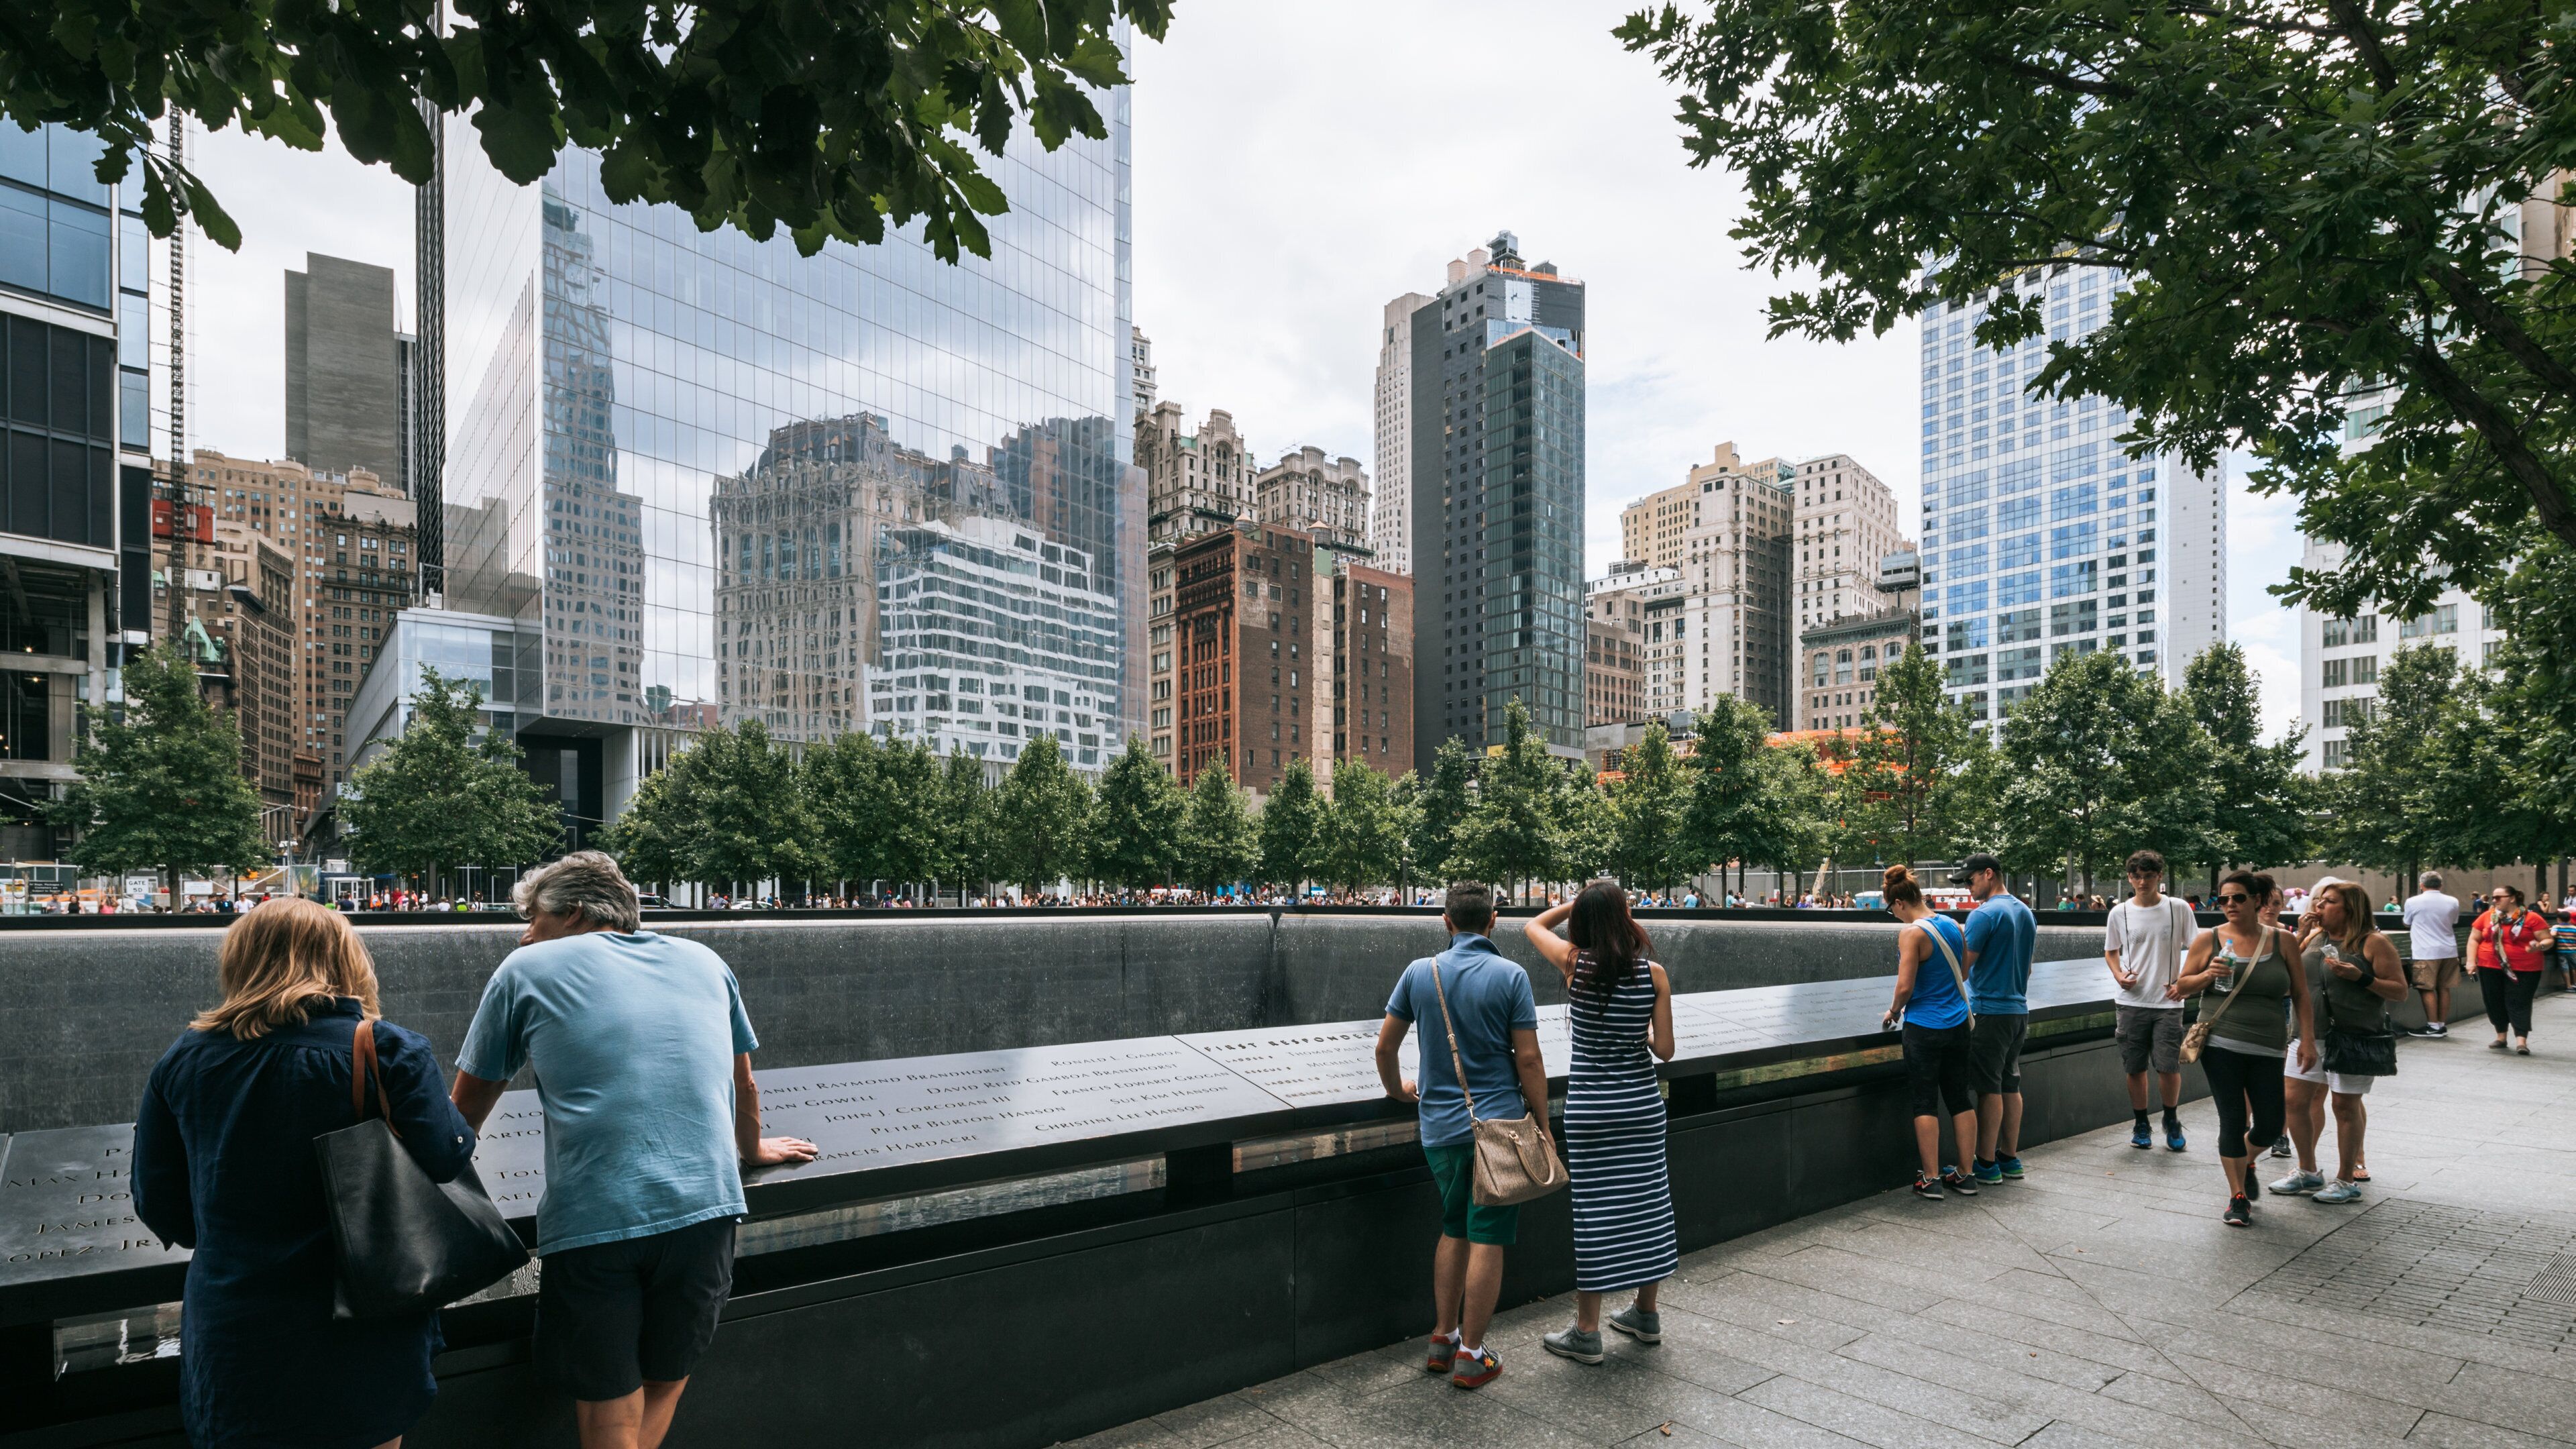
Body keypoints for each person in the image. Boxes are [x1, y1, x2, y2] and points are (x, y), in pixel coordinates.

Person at [450, 853, 817, 1449]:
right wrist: (752, 1153)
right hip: (708, 1209)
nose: (525, 932)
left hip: (597, 1220)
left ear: (570, 913)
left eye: (532, 917)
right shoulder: (706, 960)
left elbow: (463, 1113)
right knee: (666, 1377)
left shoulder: (526, 968)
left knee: (607, 1407)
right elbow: (742, 1085)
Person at [133, 898, 480, 1449]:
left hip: (236, 1323)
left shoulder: (184, 1058)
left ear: (241, 962)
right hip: (364, 1318)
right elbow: (446, 1159)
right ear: (346, 960)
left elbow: (158, 1201)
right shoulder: (386, 1049)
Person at [1375, 881, 1550, 1391]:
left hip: (1440, 1129)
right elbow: (1530, 1059)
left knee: (1454, 1226)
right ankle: (1473, 1356)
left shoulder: (1418, 973)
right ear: (1494, 921)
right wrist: (1542, 1124)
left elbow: (1386, 1049)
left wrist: (1401, 1091)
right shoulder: (1512, 976)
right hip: (1497, 1131)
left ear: (1446, 922)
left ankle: (1442, 1338)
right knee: (1488, 1237)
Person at [1524, 882, 1678, 1365]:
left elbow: (1532, 925)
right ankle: (1645, 1314)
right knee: (1649, 1204)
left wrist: (1576, 905)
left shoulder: (1576, 965)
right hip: (1641, 1108)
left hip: (1592, 1111)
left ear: (1586, 922)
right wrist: (1642, 1034)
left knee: (1595, 1215)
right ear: (1625, 917)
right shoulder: (1653, 975)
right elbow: (1665, 1050)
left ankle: (1587, 1332)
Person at [2173, 870, 2315, 1226]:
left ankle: (2247, 1159)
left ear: (2256, 900)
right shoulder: (2210, 939)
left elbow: (2300, 993)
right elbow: (2182, 986)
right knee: (2233, 1119)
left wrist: (2307, 1039)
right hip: (2221, 1040)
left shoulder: (2282, 941)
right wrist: (2208, 975)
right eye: (2224, 900)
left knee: (2270, 1124)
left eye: (2238, 898)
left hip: (2268, 1043)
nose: (2230, 905)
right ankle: (2238, 1197)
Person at [2272, 881, 2405, 1205]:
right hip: (2307, 1034)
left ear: (2350, 909)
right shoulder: (2315, 937)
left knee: (2344, 1106)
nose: (2319, 907)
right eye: (2319, 901)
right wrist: (2300, 937)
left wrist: (2361, 977)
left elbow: (2399, 991)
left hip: (2353, 1037)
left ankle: (2346, 1178)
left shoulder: (2373, 943)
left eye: (2329, 902)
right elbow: (2288, 979)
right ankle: (2308, 1171)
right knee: (2294, 1101)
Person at [1877, 864, 1982, 1199]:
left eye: (1891, 909)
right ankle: (1966, 1175)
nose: (1893, 915)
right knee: (1959, 1098)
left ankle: (1931, 1178)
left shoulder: (1912, 933)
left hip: (1924, 1027)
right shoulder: (1952, 924)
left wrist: (1894, 1011)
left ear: (1900, 903)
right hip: (1957, 1025)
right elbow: (1963, 973)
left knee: (1925, 1102)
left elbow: (1905, 986)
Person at [2104, 849, 2195, 1152]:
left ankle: (2171, 1119)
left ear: (2159, 877)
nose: (2142, 882)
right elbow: (2111, 950)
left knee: (2168, 1066)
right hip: (2131, 1001)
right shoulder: (2120, 912)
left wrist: (2185, 982)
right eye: (2137, 876)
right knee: (2135, 1067)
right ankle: (2141, 1122)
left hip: (2168, 1003)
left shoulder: (2178, 908)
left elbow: (2197, 948)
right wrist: (2118, 976)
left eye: (2148, 876)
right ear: (2130, 878)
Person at [1959, 852, 2037, 1185]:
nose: (1968, 887)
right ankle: (2010, 1157)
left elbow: (1962, 968)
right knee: (2010, 1082)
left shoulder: (1984, 915)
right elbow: (2028, 966)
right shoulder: (2025, 912)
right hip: (2018, 1011)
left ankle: (1987, 1164)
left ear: (1989, 874)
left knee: (1988, 1087)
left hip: (1988, 1012)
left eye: (1970, 880)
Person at [2474, 884, 2549, 1053]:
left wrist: (2539, 946)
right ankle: (2501, 1036)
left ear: (2512, 898)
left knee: (2519, 1001)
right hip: (2489, 966)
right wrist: (2471, 962)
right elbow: (2474, 938)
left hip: (2526, 968)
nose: (2495, 901)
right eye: (2493, 898)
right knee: (2494, 1000)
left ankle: (2521, 1041)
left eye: (2499, 897)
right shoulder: (2488, 916)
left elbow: (2547, 940)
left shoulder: (2532, 918)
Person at [2402, 872, 2462, 1037]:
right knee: (2444, 987)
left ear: (2422, 885)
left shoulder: (2412, 902)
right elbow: (2454, 921)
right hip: (2449, 950)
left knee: (2426, 988)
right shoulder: (2453, 901)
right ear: (2441, 885)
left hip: (2425, 951)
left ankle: (2433, 1026)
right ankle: (2441, 1025)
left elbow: (2407, 922)